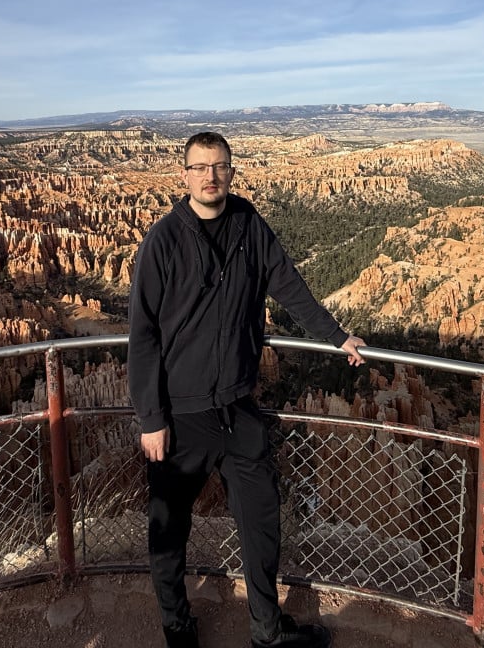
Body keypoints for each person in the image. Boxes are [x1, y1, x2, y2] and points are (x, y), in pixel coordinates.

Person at [129, 131, 366, 648]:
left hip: (238, 408)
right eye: (201, 167)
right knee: (168, 527)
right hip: (181, 416)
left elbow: (290, 287)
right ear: (185, 174)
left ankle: (267, 629)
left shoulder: (248, 225)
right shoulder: (163, 241)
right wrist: (151, 417)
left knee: (261, 523)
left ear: (231, 172)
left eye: (220, 166)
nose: (211, 176)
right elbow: (143, 335)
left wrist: (336, 335)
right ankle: (177, 625)